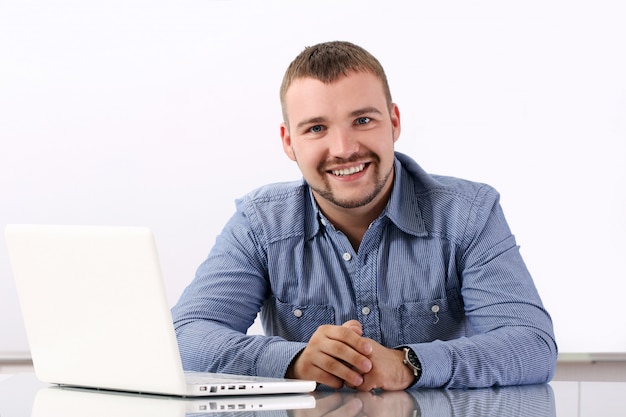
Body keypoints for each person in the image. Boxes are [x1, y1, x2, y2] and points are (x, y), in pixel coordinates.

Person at [171, 40, 557, 390]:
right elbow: (182, 336)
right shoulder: (260, 224)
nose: (343, 148)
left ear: (394, 122)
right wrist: (295, 361)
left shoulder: (468, 213)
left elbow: (531, 343)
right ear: (289, 142)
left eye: (363, 120)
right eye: (317, 128)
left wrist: (409, 364)